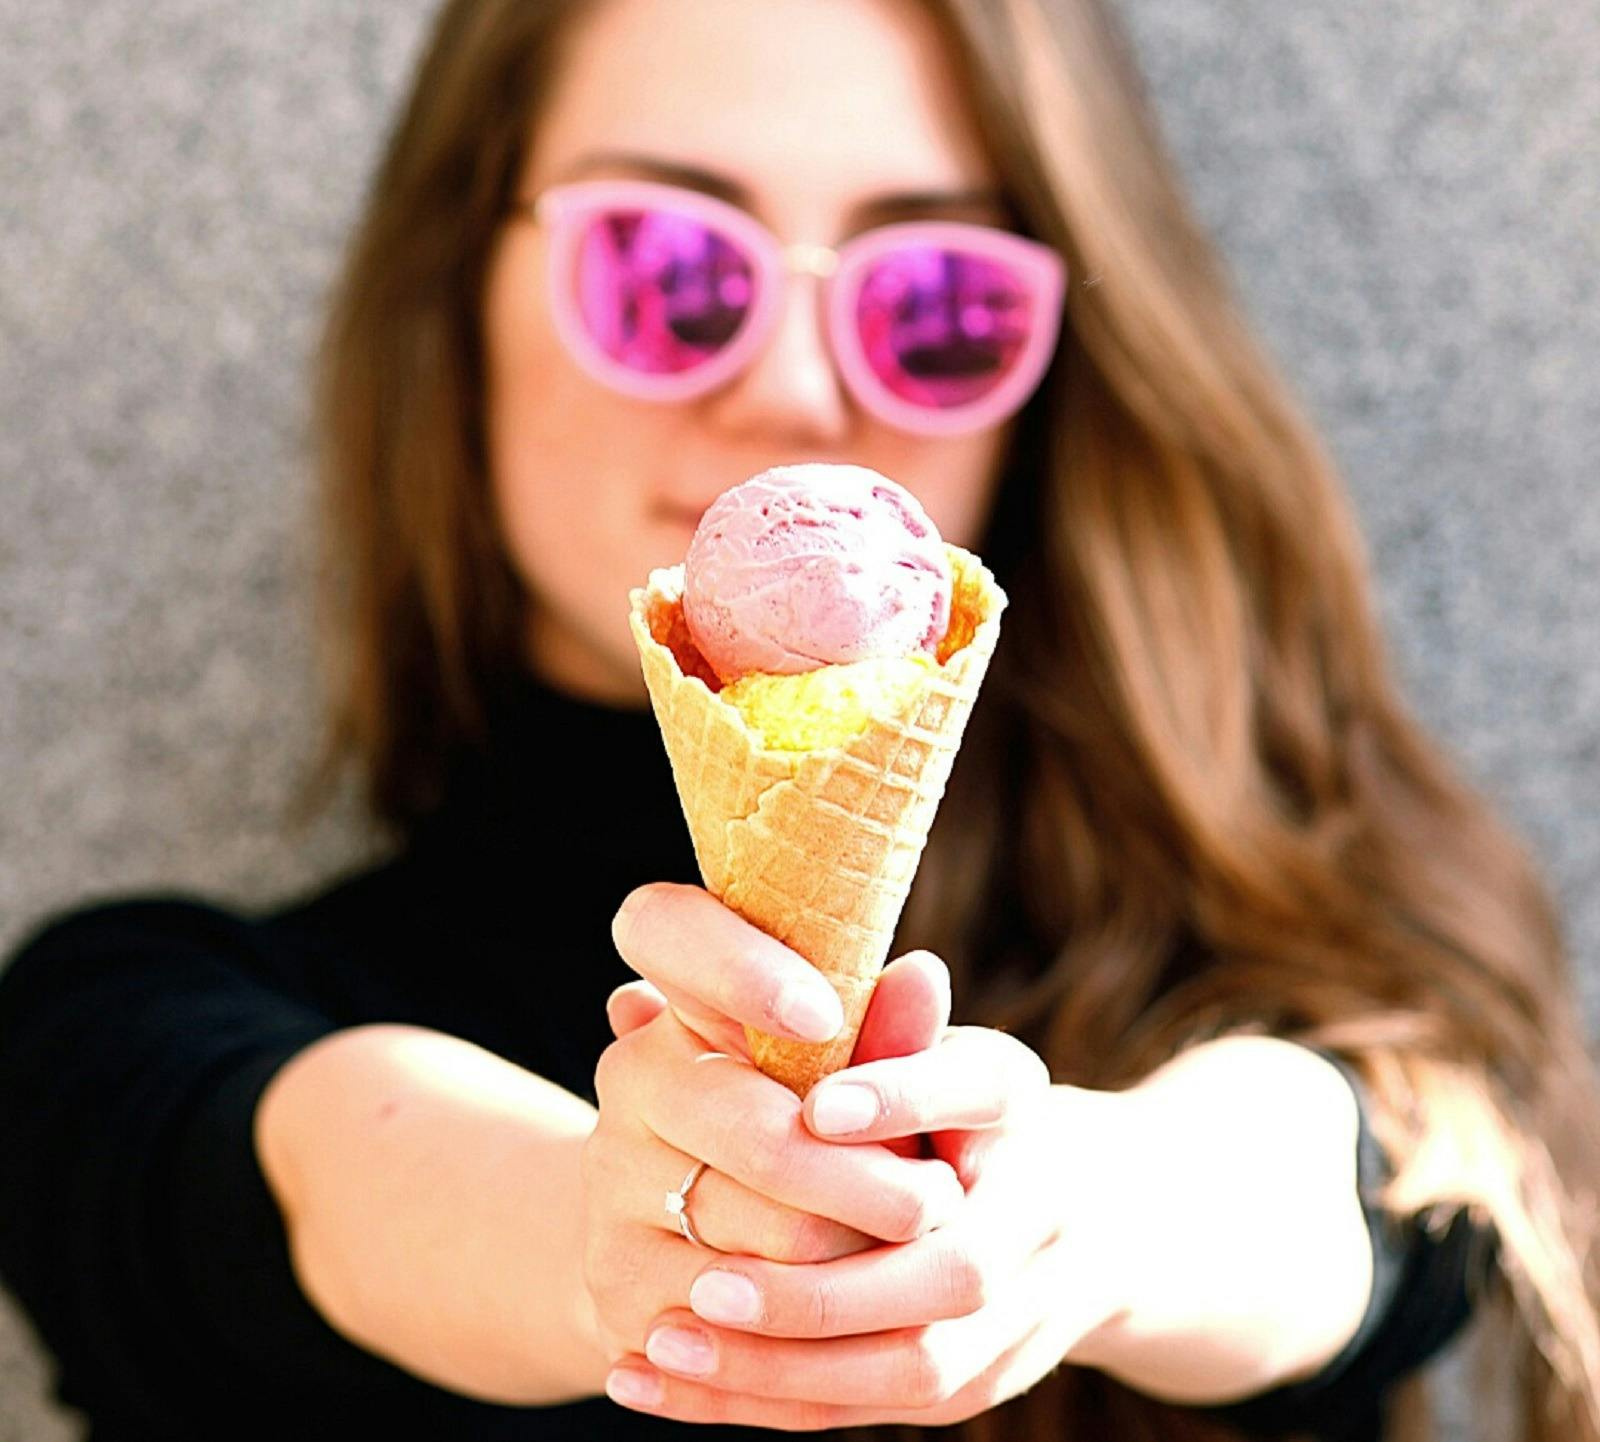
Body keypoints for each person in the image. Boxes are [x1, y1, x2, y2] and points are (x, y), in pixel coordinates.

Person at [2, 0, 1597, 1439]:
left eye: (938, 302)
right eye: (667, 269)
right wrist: (600, 1232)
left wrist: (1085, 1218)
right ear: (456, 297)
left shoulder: (1250, 964)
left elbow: (1333, 1182)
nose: (793, 388)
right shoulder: (128, 1016)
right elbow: (305, 1179)